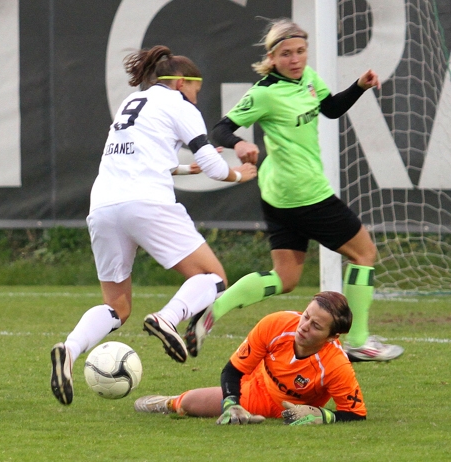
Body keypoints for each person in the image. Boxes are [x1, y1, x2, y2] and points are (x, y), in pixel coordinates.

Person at [184, 18, 403, 362]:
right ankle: (358, 340)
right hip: (306, 193)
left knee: (284, 279)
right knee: (364, 254)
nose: (296, 59)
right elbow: (221, 130)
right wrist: (239, 144)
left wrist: (359, 86)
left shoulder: (309, 80)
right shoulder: (264, 93)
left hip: (278, 197)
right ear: (272, 57)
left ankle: (213, 309)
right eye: (286, 53)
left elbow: (329, 109)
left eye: (301, 51)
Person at [50, 45, 258, 405]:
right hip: (147, 202)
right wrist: (240, 174)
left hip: (103, 205)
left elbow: (137, 155)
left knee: (117, 306)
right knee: (215, 278)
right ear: (180, 82)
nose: (197, 95)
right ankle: (167, 318)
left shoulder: (133, 102)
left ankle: (68, 350)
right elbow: (213, 166)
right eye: (196, 87)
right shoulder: (180, 105)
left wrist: (179, 167)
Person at [135, 291, 367, 425]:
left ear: (332, 337)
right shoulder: (275, 324)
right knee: (188, 404)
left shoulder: (336, 365)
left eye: (316, 326)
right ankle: (167, 402)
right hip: (256, 388)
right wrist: (231, 404)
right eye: (306, 316)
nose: (304, 326)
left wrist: (320, 415)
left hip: (290, 408)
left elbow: (356, 414)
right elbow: (232, 370)